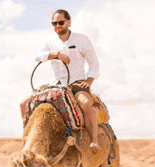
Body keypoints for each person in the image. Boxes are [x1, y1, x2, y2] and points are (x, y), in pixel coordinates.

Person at [19, 9, 101, 151]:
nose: (57, 26)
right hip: (55, 83)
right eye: (54, 23)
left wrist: (89, 81)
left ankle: (94, 141)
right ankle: (28, 140)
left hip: (76, 82)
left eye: (61, 22)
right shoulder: (50, 42)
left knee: (86, 103)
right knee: (23, 104)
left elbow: (94, 62)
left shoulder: (81, 39)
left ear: (69, 22)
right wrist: (55, 54)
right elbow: (37, 56)